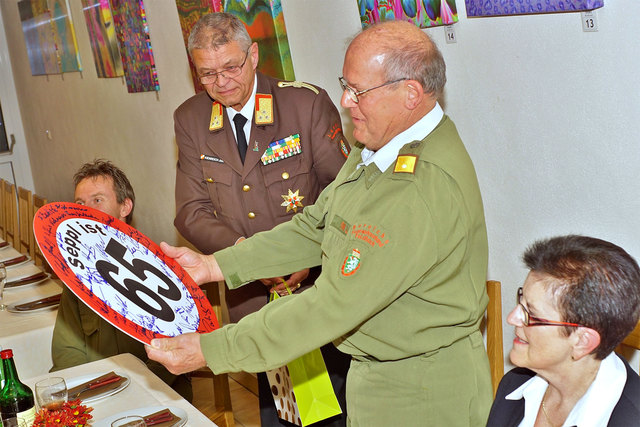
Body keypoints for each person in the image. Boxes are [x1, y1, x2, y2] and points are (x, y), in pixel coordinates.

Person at [149, 20, 492, 425]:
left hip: (420, 390)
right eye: (345, 85)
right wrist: (215, 265)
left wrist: (213, 350)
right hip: (383, 377)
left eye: (358, 91)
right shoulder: (377, 150)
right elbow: (315, 225)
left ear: (410, 94)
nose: (346, 101)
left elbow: (332, 304)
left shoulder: (418, 184)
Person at [172, 12, 350, 426]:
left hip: (318, 289)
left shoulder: (304, 104)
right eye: (207, 74)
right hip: (251, 296)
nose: (221, 82)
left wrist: (311, 256)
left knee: (337, 410)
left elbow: (346, 196)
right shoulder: (192, 119)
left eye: (231, 67)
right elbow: (190, 210)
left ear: (253, 55)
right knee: (280, 415)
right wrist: (246, 257)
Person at [50, 159, 193, 402]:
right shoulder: (77, 269)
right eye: (79, 203)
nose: (85, 210)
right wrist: (86, 390)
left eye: (97, 200)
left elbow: (176, 350)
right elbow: (67, 348)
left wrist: (133, 390)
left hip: (156, 391)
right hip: (96, 390)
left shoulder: (157, 269)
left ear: (125, 207)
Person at [487, 235, 640, 427]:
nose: (512, 318)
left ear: (583, 341)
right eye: (521, 301)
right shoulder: (515, 385)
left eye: (531, 314)